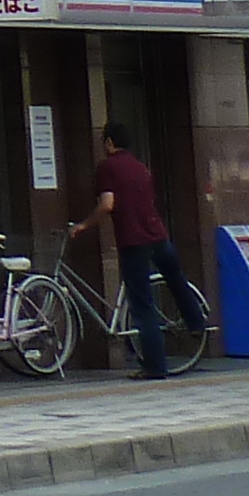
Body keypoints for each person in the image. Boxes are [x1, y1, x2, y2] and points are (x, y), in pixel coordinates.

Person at [66, 122, 182, 378]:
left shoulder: (108, 167)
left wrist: (83, 225)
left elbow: (107, 205)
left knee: (142, 306)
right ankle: (195, 321)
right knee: (173, 281)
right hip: (158, 235)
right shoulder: (142, 167)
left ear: (109, 142)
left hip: (134, 241)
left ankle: (155, 367)